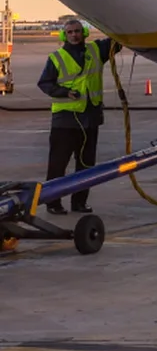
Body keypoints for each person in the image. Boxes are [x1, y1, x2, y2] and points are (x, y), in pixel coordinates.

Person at [38, 19, 120, 214]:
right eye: (70, 32)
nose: (74, 35)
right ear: (64, 36)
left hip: (90, 119)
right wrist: (64, 92)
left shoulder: (96, 51)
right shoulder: (57, 57)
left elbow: (116, 41)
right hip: (65, 120)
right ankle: (53, 203)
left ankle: (79, 203)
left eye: (77, 31)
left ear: (84, 33)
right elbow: (45, 83)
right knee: (58, 165)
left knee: (86, 166)